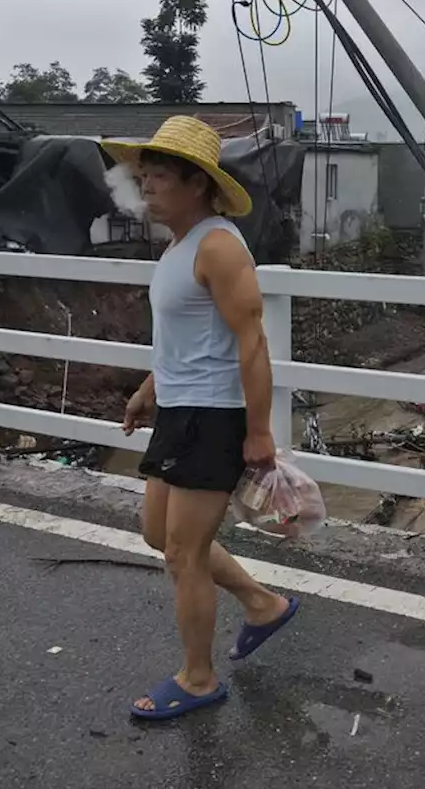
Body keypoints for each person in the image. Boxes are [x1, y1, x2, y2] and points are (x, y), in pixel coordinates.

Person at [104, 116, 299, 720]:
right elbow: (186, 338)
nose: (147, 188)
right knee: (158, 536)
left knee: (182, 554)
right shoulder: (179, 244)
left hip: (214, 416)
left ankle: (197, 678)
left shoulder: (218, 245)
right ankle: (263, 604)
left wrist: (260, 431)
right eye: (145, 177)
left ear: (197, 184)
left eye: (159, 177)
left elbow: (251, 342)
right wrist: (148, 389)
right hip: (180, 410)